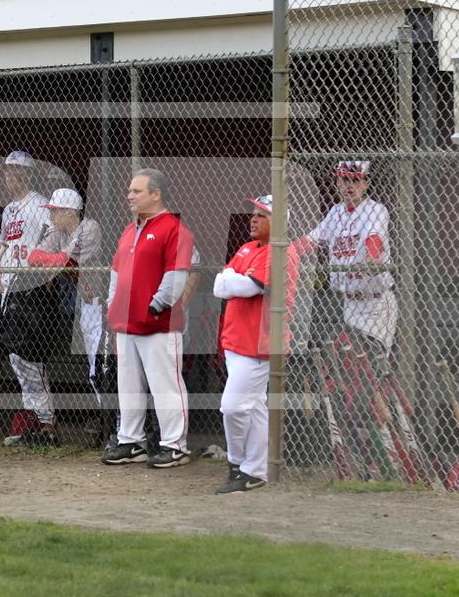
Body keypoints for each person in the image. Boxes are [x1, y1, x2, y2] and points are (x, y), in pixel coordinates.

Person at [102, 168, 194, 469]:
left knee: (165, 385)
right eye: (129, 190)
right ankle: (131, 442)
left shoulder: (174, 228)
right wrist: (113, 305)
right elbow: (116, 273)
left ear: (156, 194)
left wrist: (156, 306)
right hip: (126, 323)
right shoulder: (129, 230)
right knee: (128, 386)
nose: (129, 195)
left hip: (158, 324)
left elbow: (176, 275)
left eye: (136, 191)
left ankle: (175, 446)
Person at [293, 161, 396, 352]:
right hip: (349, 303)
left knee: (371, 357)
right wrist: (283, 253)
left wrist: (372, 258)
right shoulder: (335, 213)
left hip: (376, 303)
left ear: (366, 183)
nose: (350, 186)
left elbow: (374, 237)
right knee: (348, 360)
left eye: (356, 180)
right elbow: (312, 241)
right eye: (345, 180)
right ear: (337, 183)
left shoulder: (376, 210)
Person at [212, 194, 278, 493]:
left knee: (233, 407)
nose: (254, 218)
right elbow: (220, 285)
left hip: (258, 343)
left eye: (262, 215)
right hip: (235, 339)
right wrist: (234, 280)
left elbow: (252, 287)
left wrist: (235, 280)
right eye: (254, 213)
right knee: (255, 407)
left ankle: (238, 463)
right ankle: (256, 470)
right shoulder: (246, 247)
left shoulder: (279, 251)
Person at [0, 151, 57, 442]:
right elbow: (4, 243)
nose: (9, 175)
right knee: (16, 358)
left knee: (30, 357)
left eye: (15, 170)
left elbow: (55, 237)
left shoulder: (40, 203)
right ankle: (33, 420)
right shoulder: (9, 210)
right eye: (7, 170)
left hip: (30, 287)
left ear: (28, 174)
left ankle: (47, 424)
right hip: (9, 288)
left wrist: (46, 276)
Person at [26, 188, 103, 407]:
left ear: (70, 212)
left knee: (101, 367)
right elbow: (33, 257)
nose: (50, 216)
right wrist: (55, 259)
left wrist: (54, 260)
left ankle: (116, 419)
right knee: (94, 370)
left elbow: (66, 262)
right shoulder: (59, 232)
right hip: (87, 304)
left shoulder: (89, 227)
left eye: (55, 211)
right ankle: (110, 417)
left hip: (104, 306)